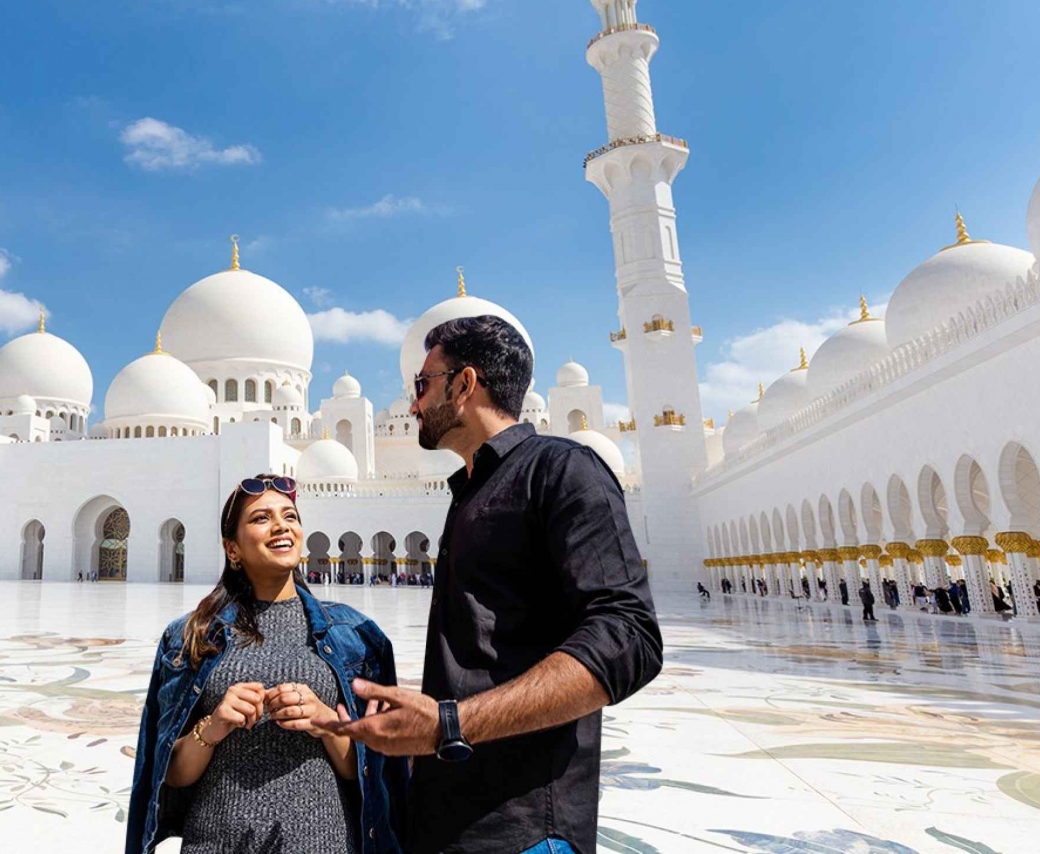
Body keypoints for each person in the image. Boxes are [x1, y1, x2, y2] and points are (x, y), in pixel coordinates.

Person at [315, 315, 662, 854]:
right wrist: (415, 730)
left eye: (422, 386)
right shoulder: (473, 491)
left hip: (525, 829)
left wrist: (448, 723)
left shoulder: (561, 470)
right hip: (452, 818)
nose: (412, 406)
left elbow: (629, 638)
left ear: (465, 383)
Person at [126, 474, 405, 854]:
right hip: (215, 843)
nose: (281, 526)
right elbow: (171, 772)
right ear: (233, 549)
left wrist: (325, 721)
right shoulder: (191, 635)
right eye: (261, 518)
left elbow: (371, 771)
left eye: (290, 516)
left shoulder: (355, 635)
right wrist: (215, 724)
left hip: (323, 844)